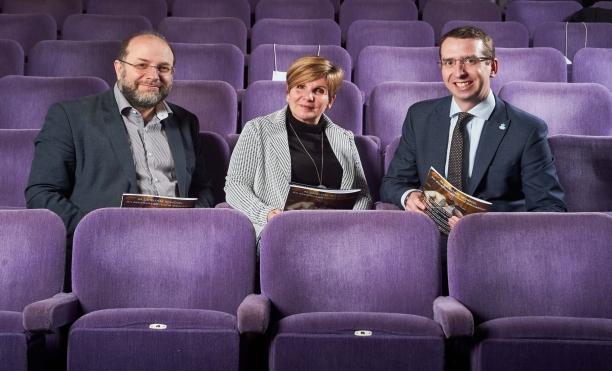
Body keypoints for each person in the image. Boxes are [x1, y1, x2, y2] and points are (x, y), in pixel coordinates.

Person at [26, 31, 215, 239]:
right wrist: (96, 234)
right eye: (142, 65)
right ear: (119, 68)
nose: (153, 76)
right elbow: (42, 193)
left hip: (178, 241)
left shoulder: (186, 121)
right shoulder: (70, 117)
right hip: (105, 246)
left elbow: (202, 188)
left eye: (163, 68)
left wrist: (194, 224)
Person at [381, 26, 566, 231]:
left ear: (493, 67)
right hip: (429, 239)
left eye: (470, 61)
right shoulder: (419, 117)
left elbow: (550, 209)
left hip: (494, 244)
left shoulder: (527, 129)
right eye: (449, 62)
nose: (459, 72)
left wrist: (484, 226)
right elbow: (392, 183)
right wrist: (408, 196)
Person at [225, 56, 372, 235]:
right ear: (288, 93)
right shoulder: (257, 130)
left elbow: (363, 194)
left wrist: (348, 226)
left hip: (336, 235)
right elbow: (235, 186)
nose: (308, 97)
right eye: (300, 87)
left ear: (331, 100)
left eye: (319, 90)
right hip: (280, 232)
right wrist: (268, 214)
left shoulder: (345, 138)